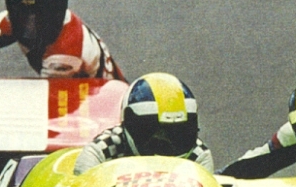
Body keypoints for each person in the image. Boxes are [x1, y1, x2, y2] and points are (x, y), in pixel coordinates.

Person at [73, 72, 213, 175]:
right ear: (129, 125)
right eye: (152, 131)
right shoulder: (100, 151)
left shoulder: (199, 156)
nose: (165, 143)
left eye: (177, 132)